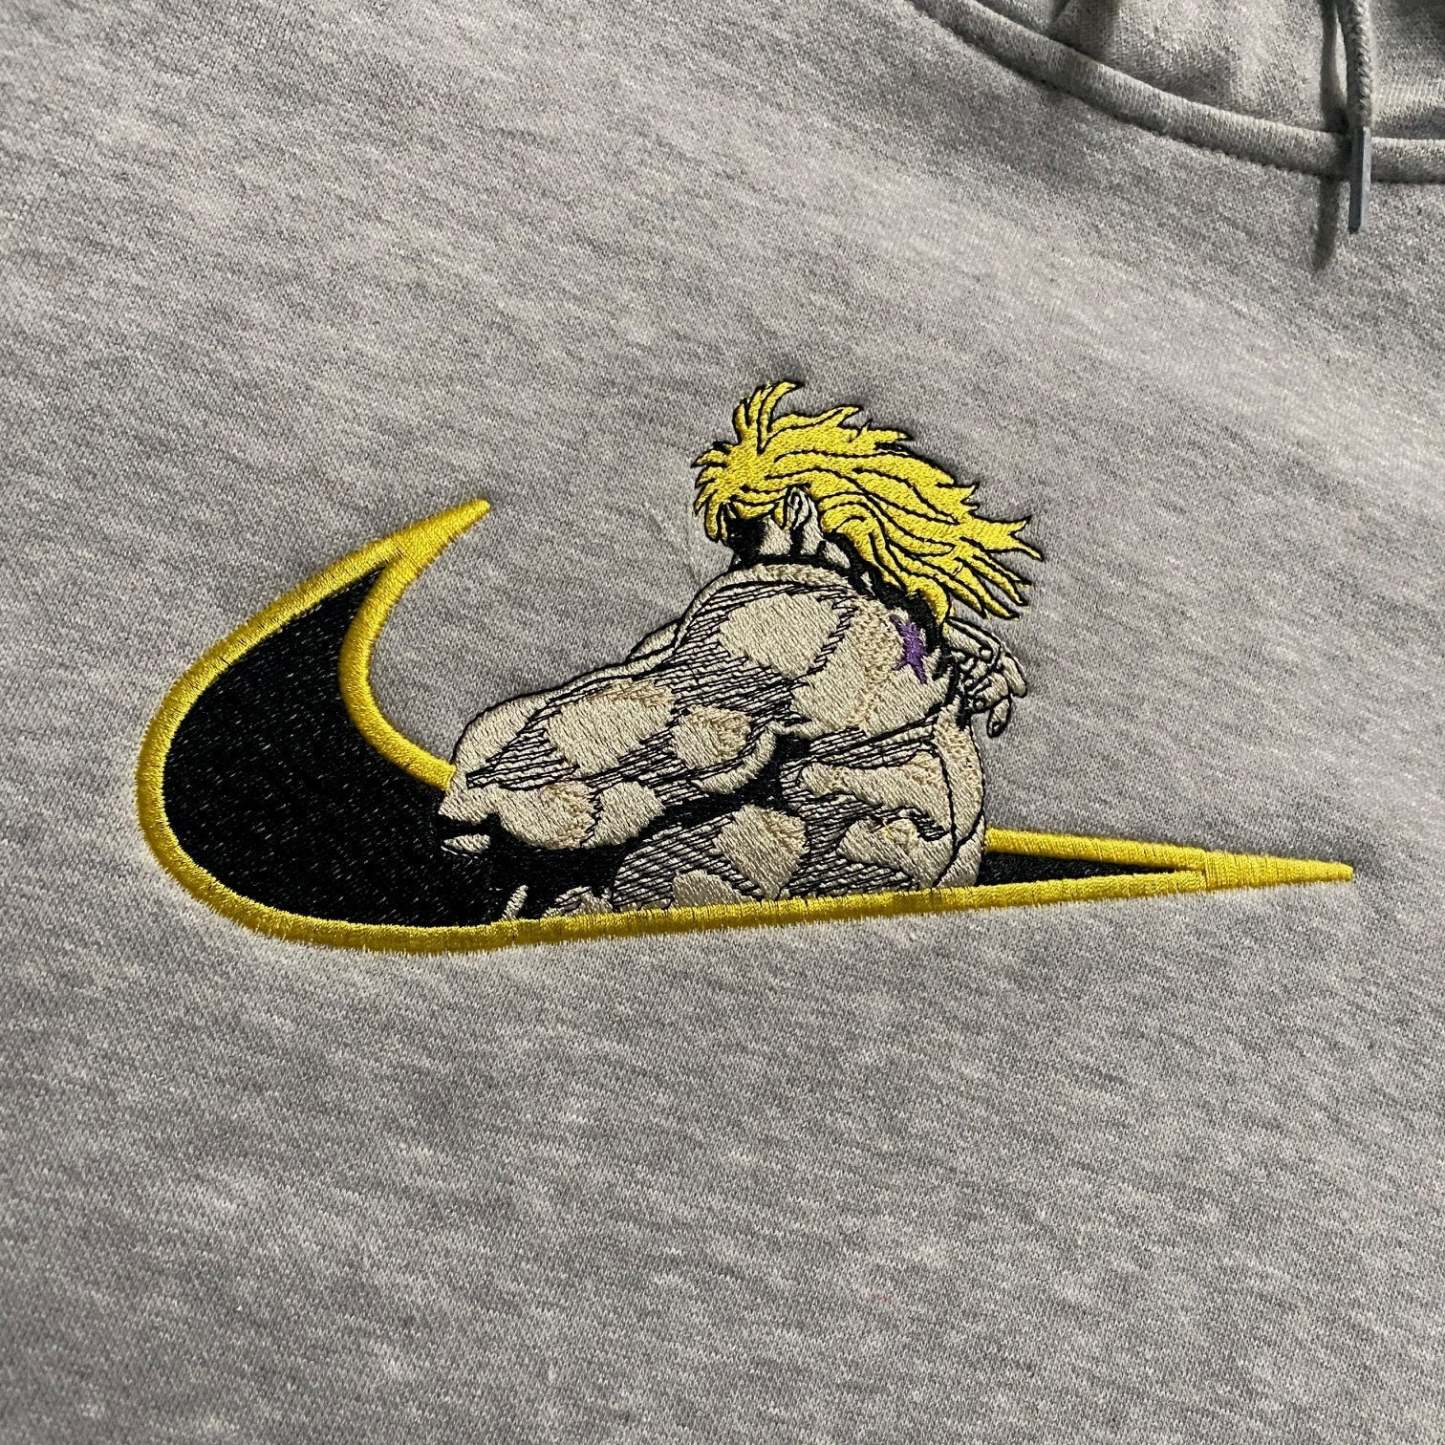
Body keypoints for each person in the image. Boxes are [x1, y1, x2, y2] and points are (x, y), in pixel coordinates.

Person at [437, 381, 1039, 918]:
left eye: (748, 538)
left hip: (763, 888)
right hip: (883, 899)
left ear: (797, 512)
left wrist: (495, 789)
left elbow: (666, 723)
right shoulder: (909, 644)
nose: (740, 566)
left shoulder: (802, 610)